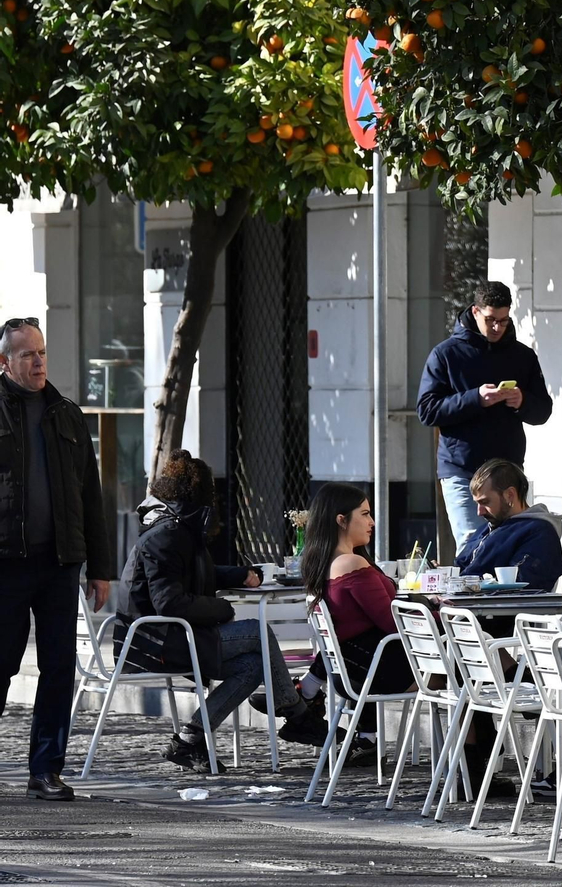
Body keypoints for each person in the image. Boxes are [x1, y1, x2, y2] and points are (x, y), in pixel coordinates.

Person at [118, 451, 326, 771]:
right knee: (258, 631)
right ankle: (297, 713)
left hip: (164, 637)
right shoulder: (167, 535)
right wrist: (221, 609)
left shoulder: (174, 528)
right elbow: (169, 602)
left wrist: (239, 574)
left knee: (253, 665)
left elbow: (191, 573)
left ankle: (190, 739)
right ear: (198, 495)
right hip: (155, 643)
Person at [0, 317, 114, 800]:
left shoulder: (66, 413)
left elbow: (91, 493)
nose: (39, 361)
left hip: (59, 563)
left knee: (58, 666)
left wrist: (101, 567)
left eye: (42, 352)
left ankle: (45, 768)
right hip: (5, 563)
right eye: (27, 354)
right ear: (5, 362)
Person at [416, 281, 553, 550]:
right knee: (473, 546)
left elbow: (543, 411)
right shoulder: (446, 354)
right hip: (462, 470)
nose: (496, 328)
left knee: (511, 548)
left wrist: (522, 400)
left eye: (503, 321)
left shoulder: (522, 356)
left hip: (508, 474)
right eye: (490, 320)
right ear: (475, 311)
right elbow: (427, 410)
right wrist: (475, 398)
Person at [301, 483, 413, 765]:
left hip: (353, 670)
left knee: (470, 663)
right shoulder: (352, 564)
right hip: (381, 671)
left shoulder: (323, 563)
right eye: (364, 514)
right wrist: (436, 615)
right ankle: (478, 762)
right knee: (467, 666)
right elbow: (393, 623)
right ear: (341, 520)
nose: (372, 522)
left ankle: (366, 736)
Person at [455, 459, 562, 591]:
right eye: (477, 503)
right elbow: (460, 569)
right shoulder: (485, 529)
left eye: (485, 502)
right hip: (465, 605)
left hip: (494, 609)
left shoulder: (540, 532)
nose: (479, 512)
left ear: (509, 495)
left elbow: (524, 586)